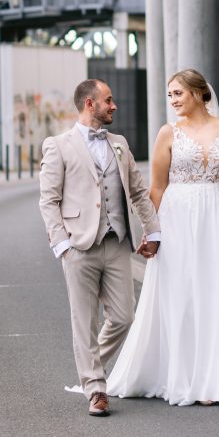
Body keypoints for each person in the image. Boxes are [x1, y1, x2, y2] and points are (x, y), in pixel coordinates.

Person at [106, 68, 219, 406]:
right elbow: (157, 187)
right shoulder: (167, 133)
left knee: (217, 289)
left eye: (178, 93)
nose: (172, 100)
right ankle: (186, 377)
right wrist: (151, 231)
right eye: (169, 95)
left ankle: (215, 380)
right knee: (182, 293)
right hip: (178, 216)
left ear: (200, 93)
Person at [38, 78, 161, 417]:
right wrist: (62, 244)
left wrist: (153, 231)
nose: (114, 105)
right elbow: (48, 200)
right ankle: (95, 388)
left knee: (124, 316)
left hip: (117, 242)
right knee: (85, 320)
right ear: (90, 104)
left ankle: (91, 366)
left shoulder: (119, 143)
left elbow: (137, 193)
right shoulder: (58, 145)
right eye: (109, 100)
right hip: (79, 245)